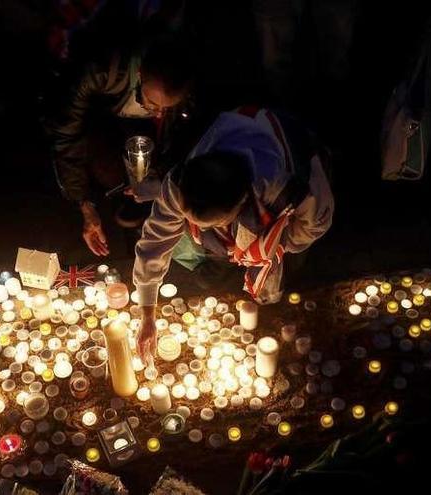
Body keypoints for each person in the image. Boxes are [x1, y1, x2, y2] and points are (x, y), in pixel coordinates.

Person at [133, 107, 334, 357]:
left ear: (241, 203)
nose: (202, 231)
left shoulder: (285, 188)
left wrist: (275, 245)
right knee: (212, 257)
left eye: (214, 224)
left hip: (290, 169)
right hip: (235, 183)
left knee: (287, 266)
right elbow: (155, 241)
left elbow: (314, 225)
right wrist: (147, 313)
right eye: (194, 222)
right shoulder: (181, 184)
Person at [47, 35, 199, 257]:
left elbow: (185, 138)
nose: (158, 113)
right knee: (108, 175)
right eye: (154, 104)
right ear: (139, 75)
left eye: (167, 108)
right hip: (101, 122)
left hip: (141, 136)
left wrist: (161, 177)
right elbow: (67, 137)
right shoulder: (99, 73)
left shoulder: (184, 88)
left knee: (146, 170)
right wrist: (85, 206)